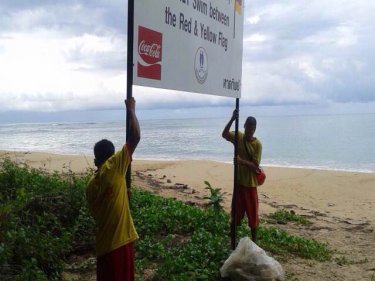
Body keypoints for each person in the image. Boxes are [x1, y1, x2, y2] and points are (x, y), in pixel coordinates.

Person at [86, 97, 140, 281]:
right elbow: (135, 137)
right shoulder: (115, 165)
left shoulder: (90, 186)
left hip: (102, 246)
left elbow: (102, 210)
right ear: (113, 156)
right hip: (120, 242)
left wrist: (122, 194)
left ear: (95, 161)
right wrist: (131, 109)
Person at [222, 109, 262, 242]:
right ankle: (232, 243)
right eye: (248, 128)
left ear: (255, 129)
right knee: (235, 216)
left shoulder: (257, 145)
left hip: (251, 186)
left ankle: (254, 244)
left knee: (253, 218)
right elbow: (224, 134)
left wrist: (241, 162)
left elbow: (255, 166)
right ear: (244, 126)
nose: (250, 131)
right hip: (238, 184)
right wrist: (233, 118)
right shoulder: (238, 137)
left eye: (252, 129)